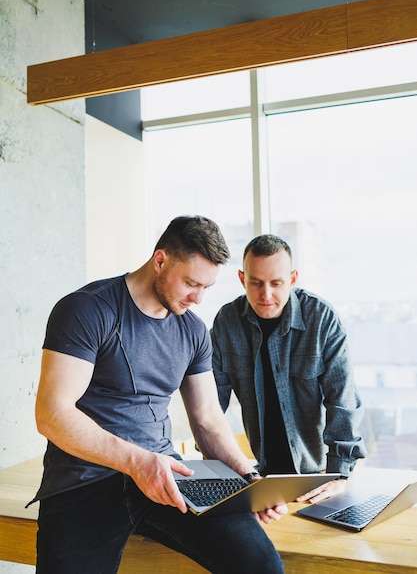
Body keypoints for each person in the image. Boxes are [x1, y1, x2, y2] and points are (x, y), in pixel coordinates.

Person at [29, 216, 287, 574]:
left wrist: (247, 477)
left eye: (206, 288)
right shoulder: (87, 309)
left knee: (261, 566)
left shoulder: (193, 331)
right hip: (85, 481)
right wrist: (138, 462)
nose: (197, 298)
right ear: (160, 260)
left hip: (167, 478)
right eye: (191, 283)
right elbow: (52, 414)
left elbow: (208, 420)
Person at [211, 234, 366, 505]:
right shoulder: (227, 323)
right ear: (241, 278)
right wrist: (222, 467)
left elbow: (342, 400)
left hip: (319, 476)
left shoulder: (321, 318)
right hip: (257, 477)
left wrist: (339, 476)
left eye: (276, 283)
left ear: (293, 279)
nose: (266, 294)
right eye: (255, 282)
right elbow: (210, 407)